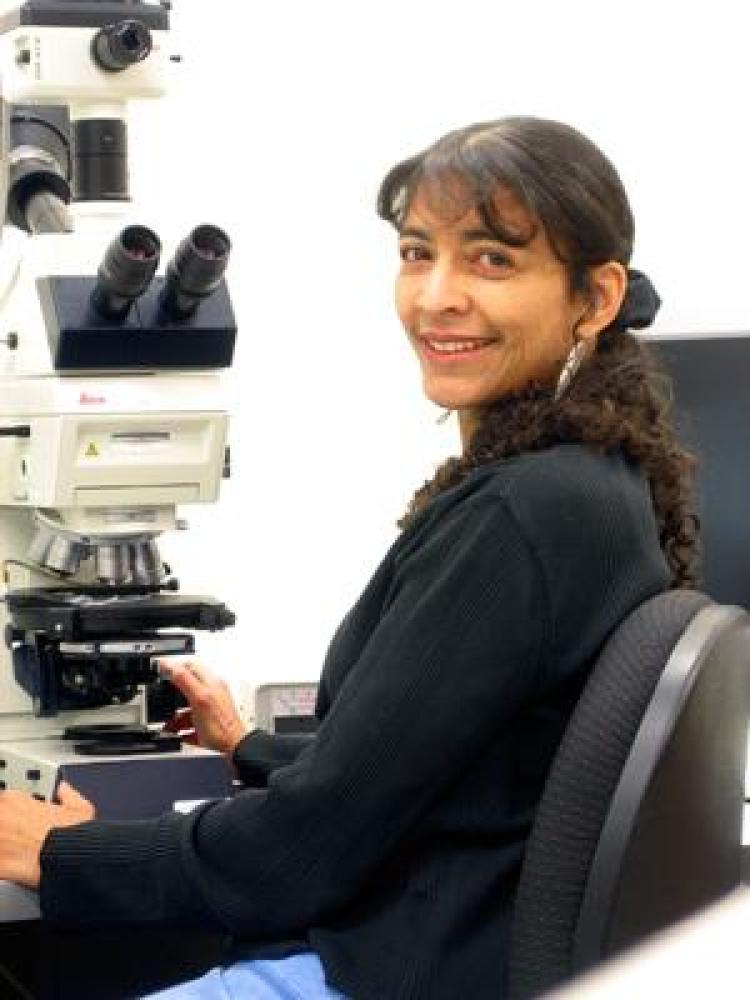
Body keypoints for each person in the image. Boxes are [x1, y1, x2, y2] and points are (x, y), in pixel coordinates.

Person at [0, 117, 699, 999]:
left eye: (492, 260)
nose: (437, 296)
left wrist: (52, 849)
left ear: (594, 298)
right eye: (417, 253)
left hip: (377, 971)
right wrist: (251, 747)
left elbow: (291, 858)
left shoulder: (524, 513)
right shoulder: (596, 481)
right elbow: (445, 782)